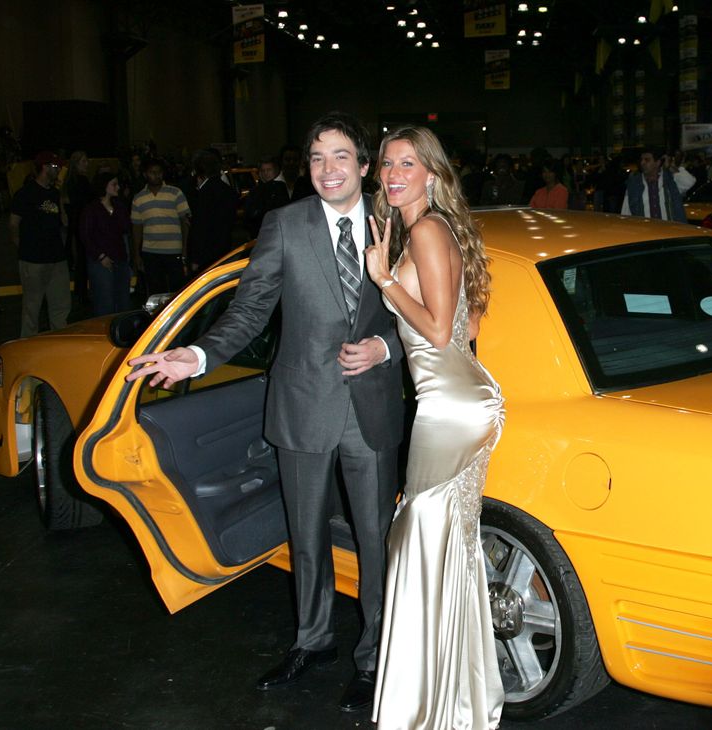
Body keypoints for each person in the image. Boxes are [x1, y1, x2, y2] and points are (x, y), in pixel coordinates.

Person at [123, 112, 405, 713]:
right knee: (305, 537)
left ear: (363, 164)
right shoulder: (285, 224)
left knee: (376, 541)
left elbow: (431, 312)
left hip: (372, 405)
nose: (327, 169)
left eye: (339, 157)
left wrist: (387, 346)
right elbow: (250, 310)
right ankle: (313, 641)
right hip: (303, 403)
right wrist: (197, 356)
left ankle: (376, 656)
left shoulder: (397, 223)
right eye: (316, 158)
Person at [365, 125, 504, 730]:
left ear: (431, 173)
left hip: (449, 406)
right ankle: (457, 699)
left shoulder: (423, 229)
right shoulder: (437, 229)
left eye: (407, 164)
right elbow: (470, 328)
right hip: (462, 395)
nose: (393, 174)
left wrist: (385, 280)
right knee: (449, 548)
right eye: (387, 164)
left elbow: (442, 327)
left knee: (417, 541)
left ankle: (424, 705)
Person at [10, 151, 71, 337]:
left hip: (56, 258)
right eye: (55, 167)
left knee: (60, 305)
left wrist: (62, 201)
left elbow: (63, 223)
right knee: (32, 307)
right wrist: (23, 249)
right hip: (33, 259)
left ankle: (58, 342)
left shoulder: (54, 193)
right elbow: (13, 224)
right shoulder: (25, 193)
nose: (59, 170)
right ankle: (27, 344)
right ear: (44, 167)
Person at [131, 157, 190, 297]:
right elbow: (137, 228)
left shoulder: (175, 193)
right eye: (152, 172)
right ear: (145, 174)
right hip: (151, 252)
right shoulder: (139, 198)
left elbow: (185, 222)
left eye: (159, 172)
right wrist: (137, 254)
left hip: (173, 250)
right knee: (155, 291)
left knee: (177, 291)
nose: (156, 175)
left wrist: (184, 249)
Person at [80, 172, 132, 315]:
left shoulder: (119, 206)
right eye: (114, 184)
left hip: (120, 258)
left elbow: (126, 228)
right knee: (105, 302)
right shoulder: (92, 209)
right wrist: (100, 256)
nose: (118, 187)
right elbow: (86, 235)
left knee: (123, 301)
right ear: (104, 186)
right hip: (100, 261)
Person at [184, 149, 237, 273]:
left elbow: (201, 228)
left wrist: (195, 259)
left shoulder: (203, 194)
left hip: (205, 255)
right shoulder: (228, 191)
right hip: (224, 250)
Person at [620, 146, 696, 222]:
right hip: (645, 231)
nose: (642, 163)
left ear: (658, 162)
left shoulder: (669, 181)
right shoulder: (634, 184)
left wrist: (671, 166)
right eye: (641, 160)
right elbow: (626, 212)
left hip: (670, 232)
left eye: (647, 160)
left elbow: (689, 182)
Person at [64, 150, 93, 304]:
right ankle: (82, 291)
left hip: (76, 222)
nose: (87, 164)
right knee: (84, 257)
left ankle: (80, 290)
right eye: (84, 161)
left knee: (81, 257)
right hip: (83, 222)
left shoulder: (71, 181)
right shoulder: (81, 181)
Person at [243, 155, 290, 238]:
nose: (266, 173)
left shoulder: (281, 188)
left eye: (269, 170)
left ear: (275, 171)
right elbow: (248, 215)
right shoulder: (255, 191)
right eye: (263, 170)